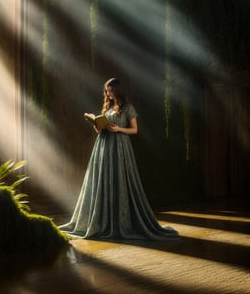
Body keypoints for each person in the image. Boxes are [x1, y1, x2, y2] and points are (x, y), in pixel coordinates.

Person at [59, 77, 178, 240]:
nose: (107, 93)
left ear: (117, 90)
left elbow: (134, 130)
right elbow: (102, 129)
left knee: (119, 179)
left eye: (110, 90)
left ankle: (120, 220)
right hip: (103, 146)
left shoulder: (128, 107)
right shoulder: (107, 107)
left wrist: (119, 129)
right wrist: (98, 127)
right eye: (106, 91)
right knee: (103, 179)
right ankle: (102, 218)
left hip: (120, 145)